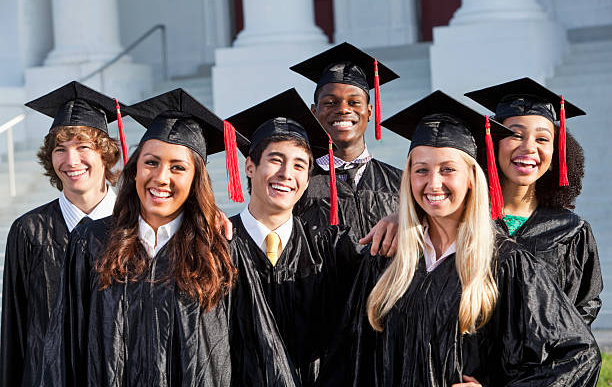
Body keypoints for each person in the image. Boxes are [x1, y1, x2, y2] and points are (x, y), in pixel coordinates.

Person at [317, 91, 601, 387]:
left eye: (448, 169)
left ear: (471, 178)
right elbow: (347, 360)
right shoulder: (386, 257)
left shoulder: (508, 263)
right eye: (421, 170)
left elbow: (577, 355)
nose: (433, 182)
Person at [39, 89, 248, 386]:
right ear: (135, 169)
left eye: (178, 167)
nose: (161, 177)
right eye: (151, 162)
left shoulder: (221, 249)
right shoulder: (91, 242)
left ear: (195, 180)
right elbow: (64, 350)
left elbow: (251, 353)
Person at [225, 88, 371, 386]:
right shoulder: (217, 244)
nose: (286, 174)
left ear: (307, 178)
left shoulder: (332, 247)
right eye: (275, 160)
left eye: (298, 165)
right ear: (250, 167)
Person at [0, 81, 125, 386]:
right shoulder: (29, 231)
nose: (71, 161)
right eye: (60, 150)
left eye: (84, 147)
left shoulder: (133, 227)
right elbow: (14, 329)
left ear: (105, 154)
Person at [465, 77, 602, 325]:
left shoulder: (570, 231)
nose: (529, 147)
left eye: (542, 139)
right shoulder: (463, 219)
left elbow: (584, 307)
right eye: (515, 135)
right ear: (493, 143)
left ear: (557, 151)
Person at [290, 42, 403, 243]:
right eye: (330, 103)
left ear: (369, 112)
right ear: (314, 113)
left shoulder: (401, 183)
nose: (343, 109)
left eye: (354, 102)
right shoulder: (298, 184)